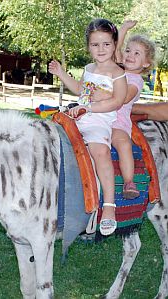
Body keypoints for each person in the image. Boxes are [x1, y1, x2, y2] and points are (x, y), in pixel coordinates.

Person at [49, 18, 127, 236]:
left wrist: (91, 107)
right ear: (88, 46)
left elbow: (117, 100)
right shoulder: (89, 68)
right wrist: (61, 73)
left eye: (106, 44)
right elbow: (80, 90)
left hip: (99, 119)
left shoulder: (116, 72)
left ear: (114, 44)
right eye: (95, 44)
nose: (101, 49)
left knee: (100, 151)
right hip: (79, 115)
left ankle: (109, 206)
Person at [108, 21, 156, 199]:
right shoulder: (118, 69)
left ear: (145, 63)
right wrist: (123, 30)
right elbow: (116, 49)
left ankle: (129, 181)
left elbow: (124, 98)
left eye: (137, 53)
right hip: (99, 115)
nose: (129, 54)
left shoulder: (135, 80)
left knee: (124, 144)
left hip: (117, 122)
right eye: (128, 50)